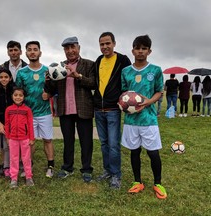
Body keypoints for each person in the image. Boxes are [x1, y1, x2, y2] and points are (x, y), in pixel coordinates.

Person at [121, 35, 167, 199]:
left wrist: (147, 102)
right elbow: (124, 93)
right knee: (134, 152)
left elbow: (159, 91)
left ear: (149, 51)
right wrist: (125, 105)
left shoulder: (155, 70)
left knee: (153, 153)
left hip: (149, 119)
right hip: (131, 120)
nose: (140, 51)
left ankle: (158, 183)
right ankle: (137, 181)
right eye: (137, 48)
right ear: (132, 50)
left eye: (144, 48)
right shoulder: (126, 71)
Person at [45, 36, 95, 182]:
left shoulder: (89, 65)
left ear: (78, 48)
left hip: (83, 109)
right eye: (67, 48)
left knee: (86, 141)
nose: (70, 50)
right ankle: (67, 167)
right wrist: (48, 80)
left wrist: (78, 76)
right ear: (64, 51)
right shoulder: (58, 67)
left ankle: (86, 169)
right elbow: (51, 90)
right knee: (68, 141)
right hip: (65, 109)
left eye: (73, 47)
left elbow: (93, 83)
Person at [93, 32, 131, 188]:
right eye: (102, 44)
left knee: (114, 144)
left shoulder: (122, 60)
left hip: (113, 109)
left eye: (107, 43)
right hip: (98, 109)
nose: (105, 47)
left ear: (114, 43)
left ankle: (116, 175)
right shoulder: (98, 61)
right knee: (104, 143)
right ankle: (107, 170)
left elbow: (128, 81)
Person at [16, 41, 55, 178]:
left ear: (40, 52)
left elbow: (54, 90)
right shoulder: (21, 73)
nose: (32, 52)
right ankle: (28, 166)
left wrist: (49, 94)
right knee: (29, 142)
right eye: (29, 50)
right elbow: (18, 93)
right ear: (26, 53)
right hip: (28, 114)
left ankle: (51, 166)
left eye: (35, 49)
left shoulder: (47, 71)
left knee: (48, 140)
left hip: (44, 113)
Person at [5, 87, 35, 188]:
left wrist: (31, 138)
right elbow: (7, 124)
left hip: (25, 138)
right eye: (16, 95)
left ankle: (28, 177)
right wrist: (8, 137)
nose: (18, 97)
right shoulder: (9, 109)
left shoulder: (27, 110)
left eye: (20, 95)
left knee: (26, 158)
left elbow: (30, 124)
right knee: (14, 158)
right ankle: (14, 178)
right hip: (13, 138)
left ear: (24, 97)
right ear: (12, 96)